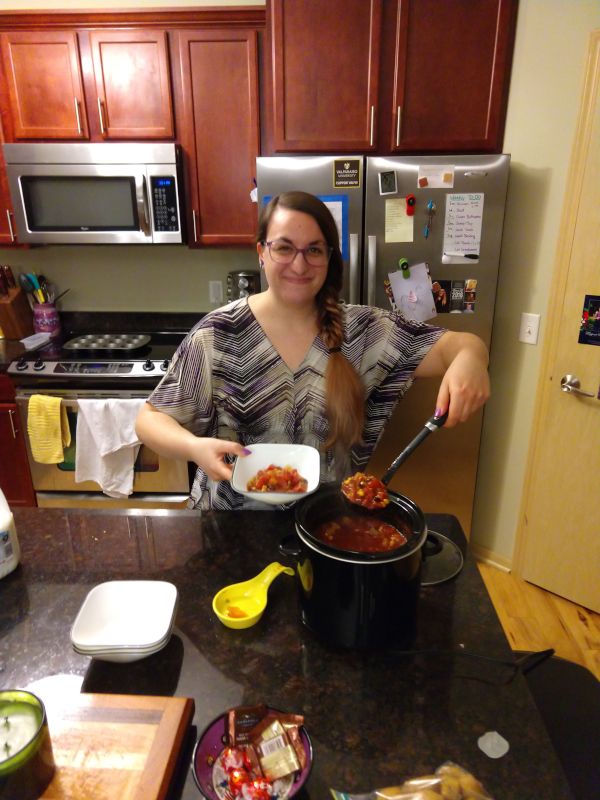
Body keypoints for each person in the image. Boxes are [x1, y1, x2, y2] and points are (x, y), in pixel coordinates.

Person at [135, 191, 490, 510]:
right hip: (231, 526)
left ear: (329, 258)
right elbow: (148, 420)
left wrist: (472, 356)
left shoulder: (366, 332)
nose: (300, 264)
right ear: (262, 252)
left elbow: (457, 346)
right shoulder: (218, 334)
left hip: (326, 525)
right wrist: (194, 448)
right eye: (284, 247)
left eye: (314, 250)